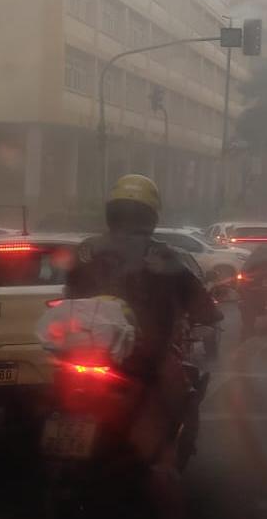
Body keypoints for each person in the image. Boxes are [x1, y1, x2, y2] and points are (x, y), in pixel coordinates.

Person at [64, 174, 221, 468]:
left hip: (84, 351)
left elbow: (70, 291)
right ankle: (168, 463)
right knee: (181, 400)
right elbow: (199, 302)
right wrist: (209, 315)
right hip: (146, 355)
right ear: (150, 216)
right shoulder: (161, 254)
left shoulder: (85, 250)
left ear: (111, 212)